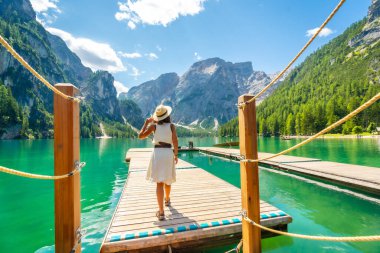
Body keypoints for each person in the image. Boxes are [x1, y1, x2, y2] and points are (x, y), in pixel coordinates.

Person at [138, 104, 178, 221]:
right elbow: (175, 141)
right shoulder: (171, 126)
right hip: (168, 153)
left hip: (158, 153)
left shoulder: (153, 126)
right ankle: (167, 199)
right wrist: (176, 154)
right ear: (167, 116)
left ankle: (161, 212)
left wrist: (146, 123)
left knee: (159, 183)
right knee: (168, 180)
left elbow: (140, 136)